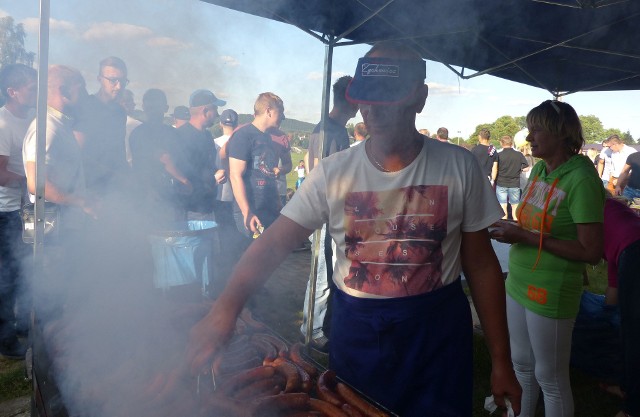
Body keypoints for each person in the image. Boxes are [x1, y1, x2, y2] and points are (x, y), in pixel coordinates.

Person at [188, 41, 521, 417]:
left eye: (386, 97)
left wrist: (501, 360)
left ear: (420, 98)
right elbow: (273, 245)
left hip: (437, 337)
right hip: (359, 335)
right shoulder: (333, 172)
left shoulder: (459, 166)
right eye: (365, 98)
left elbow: (480, 265)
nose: (372, 110)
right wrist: (225, 309)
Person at [490, 99, 605, 417]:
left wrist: (524, 236)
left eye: (536, 130)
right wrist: (511, 227)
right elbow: (534, 223)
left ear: (560, 133)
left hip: (551, 289)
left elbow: (591, 252)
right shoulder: (540, 169)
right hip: (519, 281)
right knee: (521, 365)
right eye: (529, 130)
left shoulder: (581, 178)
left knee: (550, 378)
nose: (529, 138)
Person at [302, 76, 359, 352]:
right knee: (321, 275)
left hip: (335, 212)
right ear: (350, 100)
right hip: (325, 214)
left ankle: (318, 325)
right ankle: (312, 331)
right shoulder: (328, 130)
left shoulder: (338, 129)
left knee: (328, 272)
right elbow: (318, 172)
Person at [0, 63, 36, 359]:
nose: (36, 92)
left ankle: (25, 324)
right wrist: (32, 182)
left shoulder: (32, 119)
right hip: (5, 212)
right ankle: (5, 338)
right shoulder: (3, 123)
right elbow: (0, 175)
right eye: (31, 88)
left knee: (26, 272)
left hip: (25, 210)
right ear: (12, 91)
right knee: (7, 276)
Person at [227, 92, 285, 243]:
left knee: (268, 257)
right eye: (281, 112)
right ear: (268, 111)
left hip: (268, 207)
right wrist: (247, 212)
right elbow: (235, 175)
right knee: (250, 257)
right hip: (251, 210)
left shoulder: (267, 137)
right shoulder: (243, 136)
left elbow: (268, 171)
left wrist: (277, 200)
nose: (283, 117)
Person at [602, 197, 640, 417]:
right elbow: (613, 287)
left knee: (633, 338)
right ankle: (627, 389)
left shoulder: (589, 216)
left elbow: (612, 294)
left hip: (634, 254)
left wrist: (603, 315)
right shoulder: (612, 206)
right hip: (634, 248)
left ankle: (632, 409)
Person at [129, 88, 190, 224]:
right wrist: (185, 181)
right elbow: (163, 160)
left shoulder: (139, 133)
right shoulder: (141, 134)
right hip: (151, 196)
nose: (153, 111)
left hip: (168, 195)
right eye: (151, 107)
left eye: (155, 107)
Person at [73, 56, 129, 194]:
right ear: (99, 79)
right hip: (89, 187)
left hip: (115, 187)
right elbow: (77, 153)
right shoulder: (85, 107)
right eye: (113, 80)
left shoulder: (120, 112)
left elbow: (119, 151)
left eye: (123, 81)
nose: (119, 86)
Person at [176, 89, 226, 221]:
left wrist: (217, 174)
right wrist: (213, 177)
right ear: (205, 111)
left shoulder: (207, 135)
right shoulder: (181, 136)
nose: (217, 114)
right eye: (215, 109)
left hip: (208, 205)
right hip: (191, 210)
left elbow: (207, 165)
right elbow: (184, 173)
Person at [213, 108, 239, 227]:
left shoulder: (214, 143)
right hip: (240, 193)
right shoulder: (242, 143)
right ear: (237, 124)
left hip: (220, 193)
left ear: (220, 124)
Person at [496, 135, 528, 221]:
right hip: (515, 184)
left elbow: (495, 168)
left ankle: (504, 227)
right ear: (512, 143)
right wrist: (519, 170)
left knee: (503, 207)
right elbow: (526, 168)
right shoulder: (519, 155)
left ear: (501, 143)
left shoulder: (498, 155)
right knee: (515, 206)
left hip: (501, 183)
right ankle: (515, 225)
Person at [118, 88, 141, 167]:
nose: (134, 104)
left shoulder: (103, 123)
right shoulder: (137, 125)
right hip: (131, 171)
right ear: (124, 103)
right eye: (131, 101)